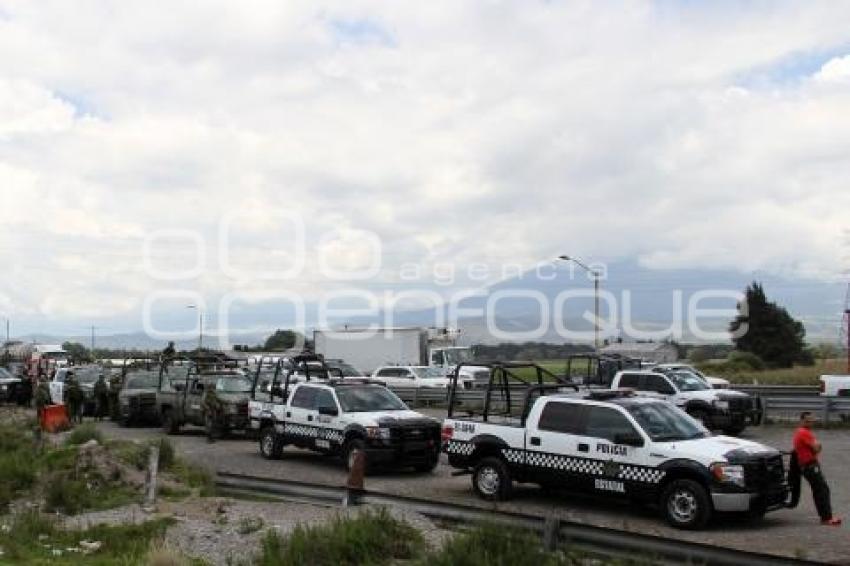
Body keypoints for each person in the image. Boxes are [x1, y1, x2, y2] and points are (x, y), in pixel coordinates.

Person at [793, 412, 842, 526]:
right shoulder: (805, 433)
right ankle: (826, 518)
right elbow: (816, 448)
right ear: (801, 421)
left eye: (811, 421)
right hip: (810, 465)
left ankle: (825, 516)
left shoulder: (799, 432)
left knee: (819, 489)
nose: (810, 423)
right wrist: (818, 446)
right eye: (807, 421)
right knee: (822, 490)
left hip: (806, 465)